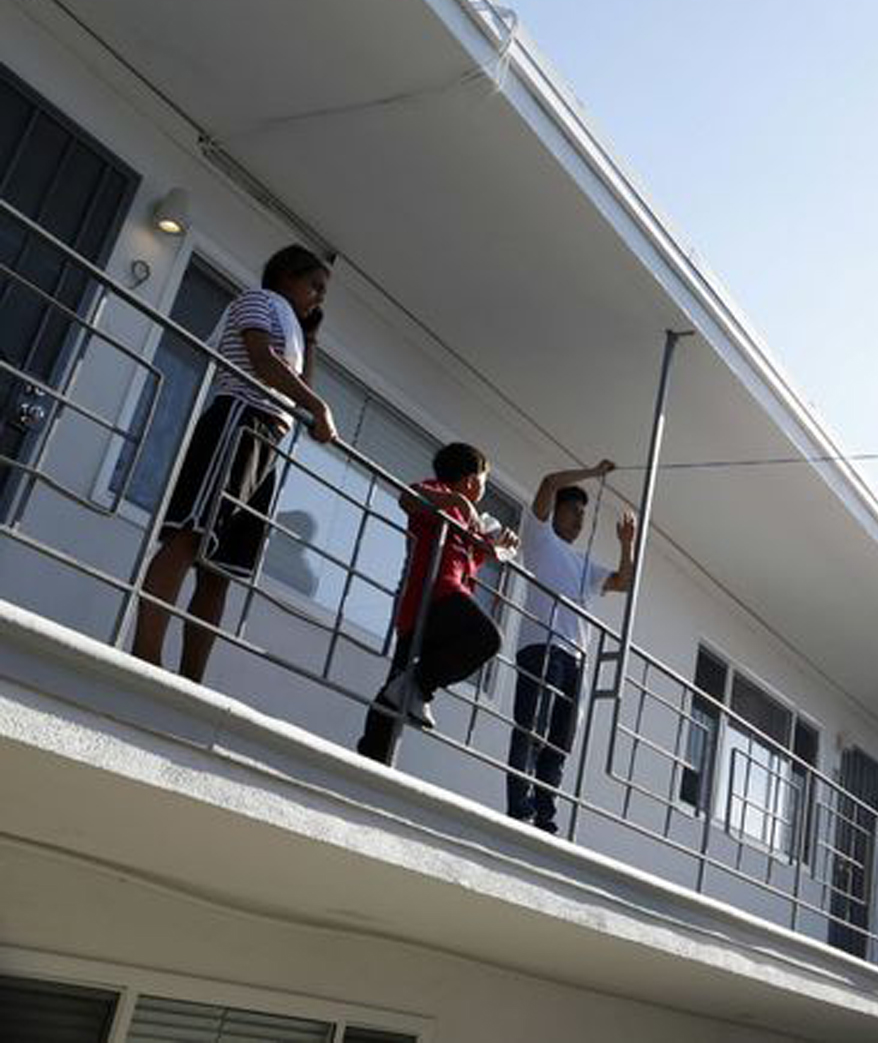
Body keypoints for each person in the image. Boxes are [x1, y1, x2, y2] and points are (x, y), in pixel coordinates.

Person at [133, 245, 335, 682]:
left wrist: (311, 339)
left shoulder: (294, 328)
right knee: (191, 534)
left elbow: (298, 387)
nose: (319, 297)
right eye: (314, 285)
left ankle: (191, 678)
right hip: (238, 420)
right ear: (285, 275)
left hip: (268, 437)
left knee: (220, 568)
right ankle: (145, 653)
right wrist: (319, 408)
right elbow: (262, 361)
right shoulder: (258, 300)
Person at [356, 442, 515, 765]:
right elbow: (409, 497)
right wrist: (456, 500)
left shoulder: (470, 519)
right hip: (433, 596)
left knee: (397, 689)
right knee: (488, 638)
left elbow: (478, 555)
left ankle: (372, 757)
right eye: (484, 481)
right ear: (471, 480)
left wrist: (500, 544)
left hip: (441, 604)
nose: (482, 489)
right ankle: (419, 690)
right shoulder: (439, 492)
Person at [506, 461, 638, 833]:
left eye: (583, 514)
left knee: (560, 740)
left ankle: (545, 816)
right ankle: (520, 809)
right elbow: (548, 480)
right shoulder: (540, 537)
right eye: (573, 511)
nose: (580, 520)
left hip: (575, 655)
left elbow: (622, 581)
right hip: (542, 646)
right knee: (532, 727)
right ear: (556, 511)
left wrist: (626, 544)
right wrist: (594, 472)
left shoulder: (583, 562)